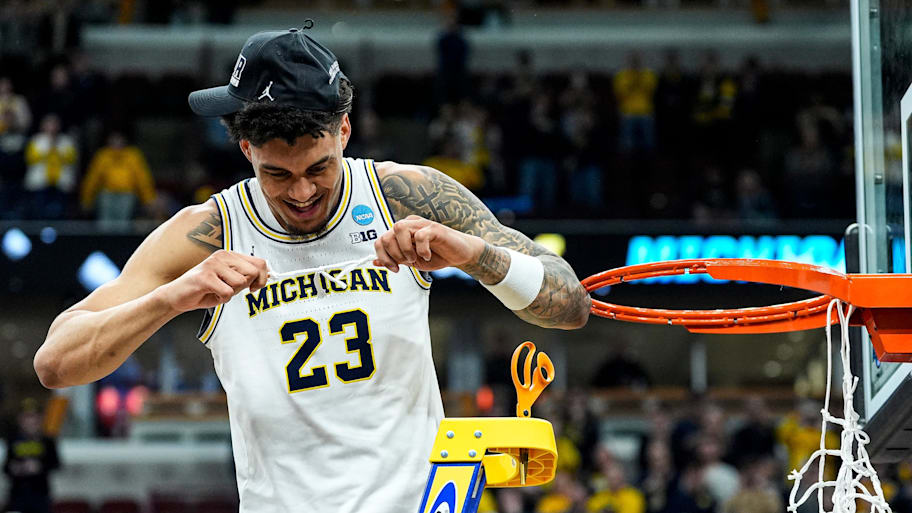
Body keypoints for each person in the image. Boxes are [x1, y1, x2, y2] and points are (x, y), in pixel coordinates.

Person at [34, 28, 591, 513]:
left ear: (344, 131)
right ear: (246, 147)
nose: (302, 193)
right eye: (278, 174)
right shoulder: (205, 232)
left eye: (319, 168)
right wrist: (172, 299)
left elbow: (571, 305)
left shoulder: (405, 194)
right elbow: (56, 363)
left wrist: (474, 255)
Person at [3, 399, 60, 513]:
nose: (30, 421)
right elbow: (6, 467)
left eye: (33, 417)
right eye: (27, 418)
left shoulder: (47, 441)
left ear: (39, 419)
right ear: (21, 420)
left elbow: (56, 463)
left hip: (40, 495)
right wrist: (15, 468)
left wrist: (39, 466)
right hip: (17, 495)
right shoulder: (13, 440)